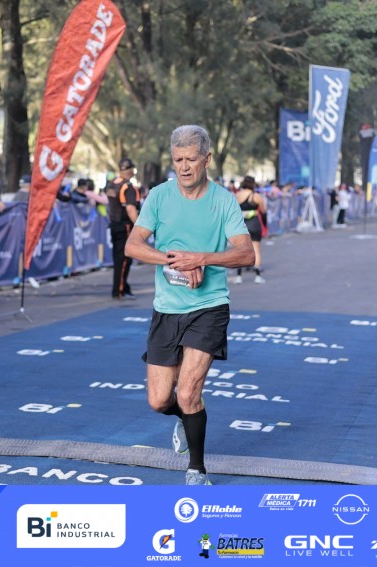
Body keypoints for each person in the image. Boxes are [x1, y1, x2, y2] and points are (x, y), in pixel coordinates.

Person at [124, 125, 254, 485]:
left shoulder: (223, 200)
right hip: (167, 308)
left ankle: (196, 470)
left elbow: (246, 254)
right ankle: (185, 417)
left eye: (191, 159)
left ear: (206, 159)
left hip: (209, 306)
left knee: (188, 391)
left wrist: (202, 258)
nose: (184, 167)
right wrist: (175, 261)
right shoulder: (159, 196)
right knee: (159, 400)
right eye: (178, 159)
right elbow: (133, 246)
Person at [106, 157, 140, 300]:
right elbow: (131, 209)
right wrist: (139, 227)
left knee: (118, 258)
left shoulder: (112, 184)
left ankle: (123, 287)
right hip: (125, 225)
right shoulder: (128, 187)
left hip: (114, 224)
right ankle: (119, 290)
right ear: (131, 170)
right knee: (124, 259)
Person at [233, 176, 266, 284]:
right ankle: (257, 276)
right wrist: (265, 224)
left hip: (241, 225)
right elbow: (263, 211)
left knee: (240, 250)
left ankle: (239, 276)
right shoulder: (256, 196)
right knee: (256, 249)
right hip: (254, 224)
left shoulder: (237, 195)